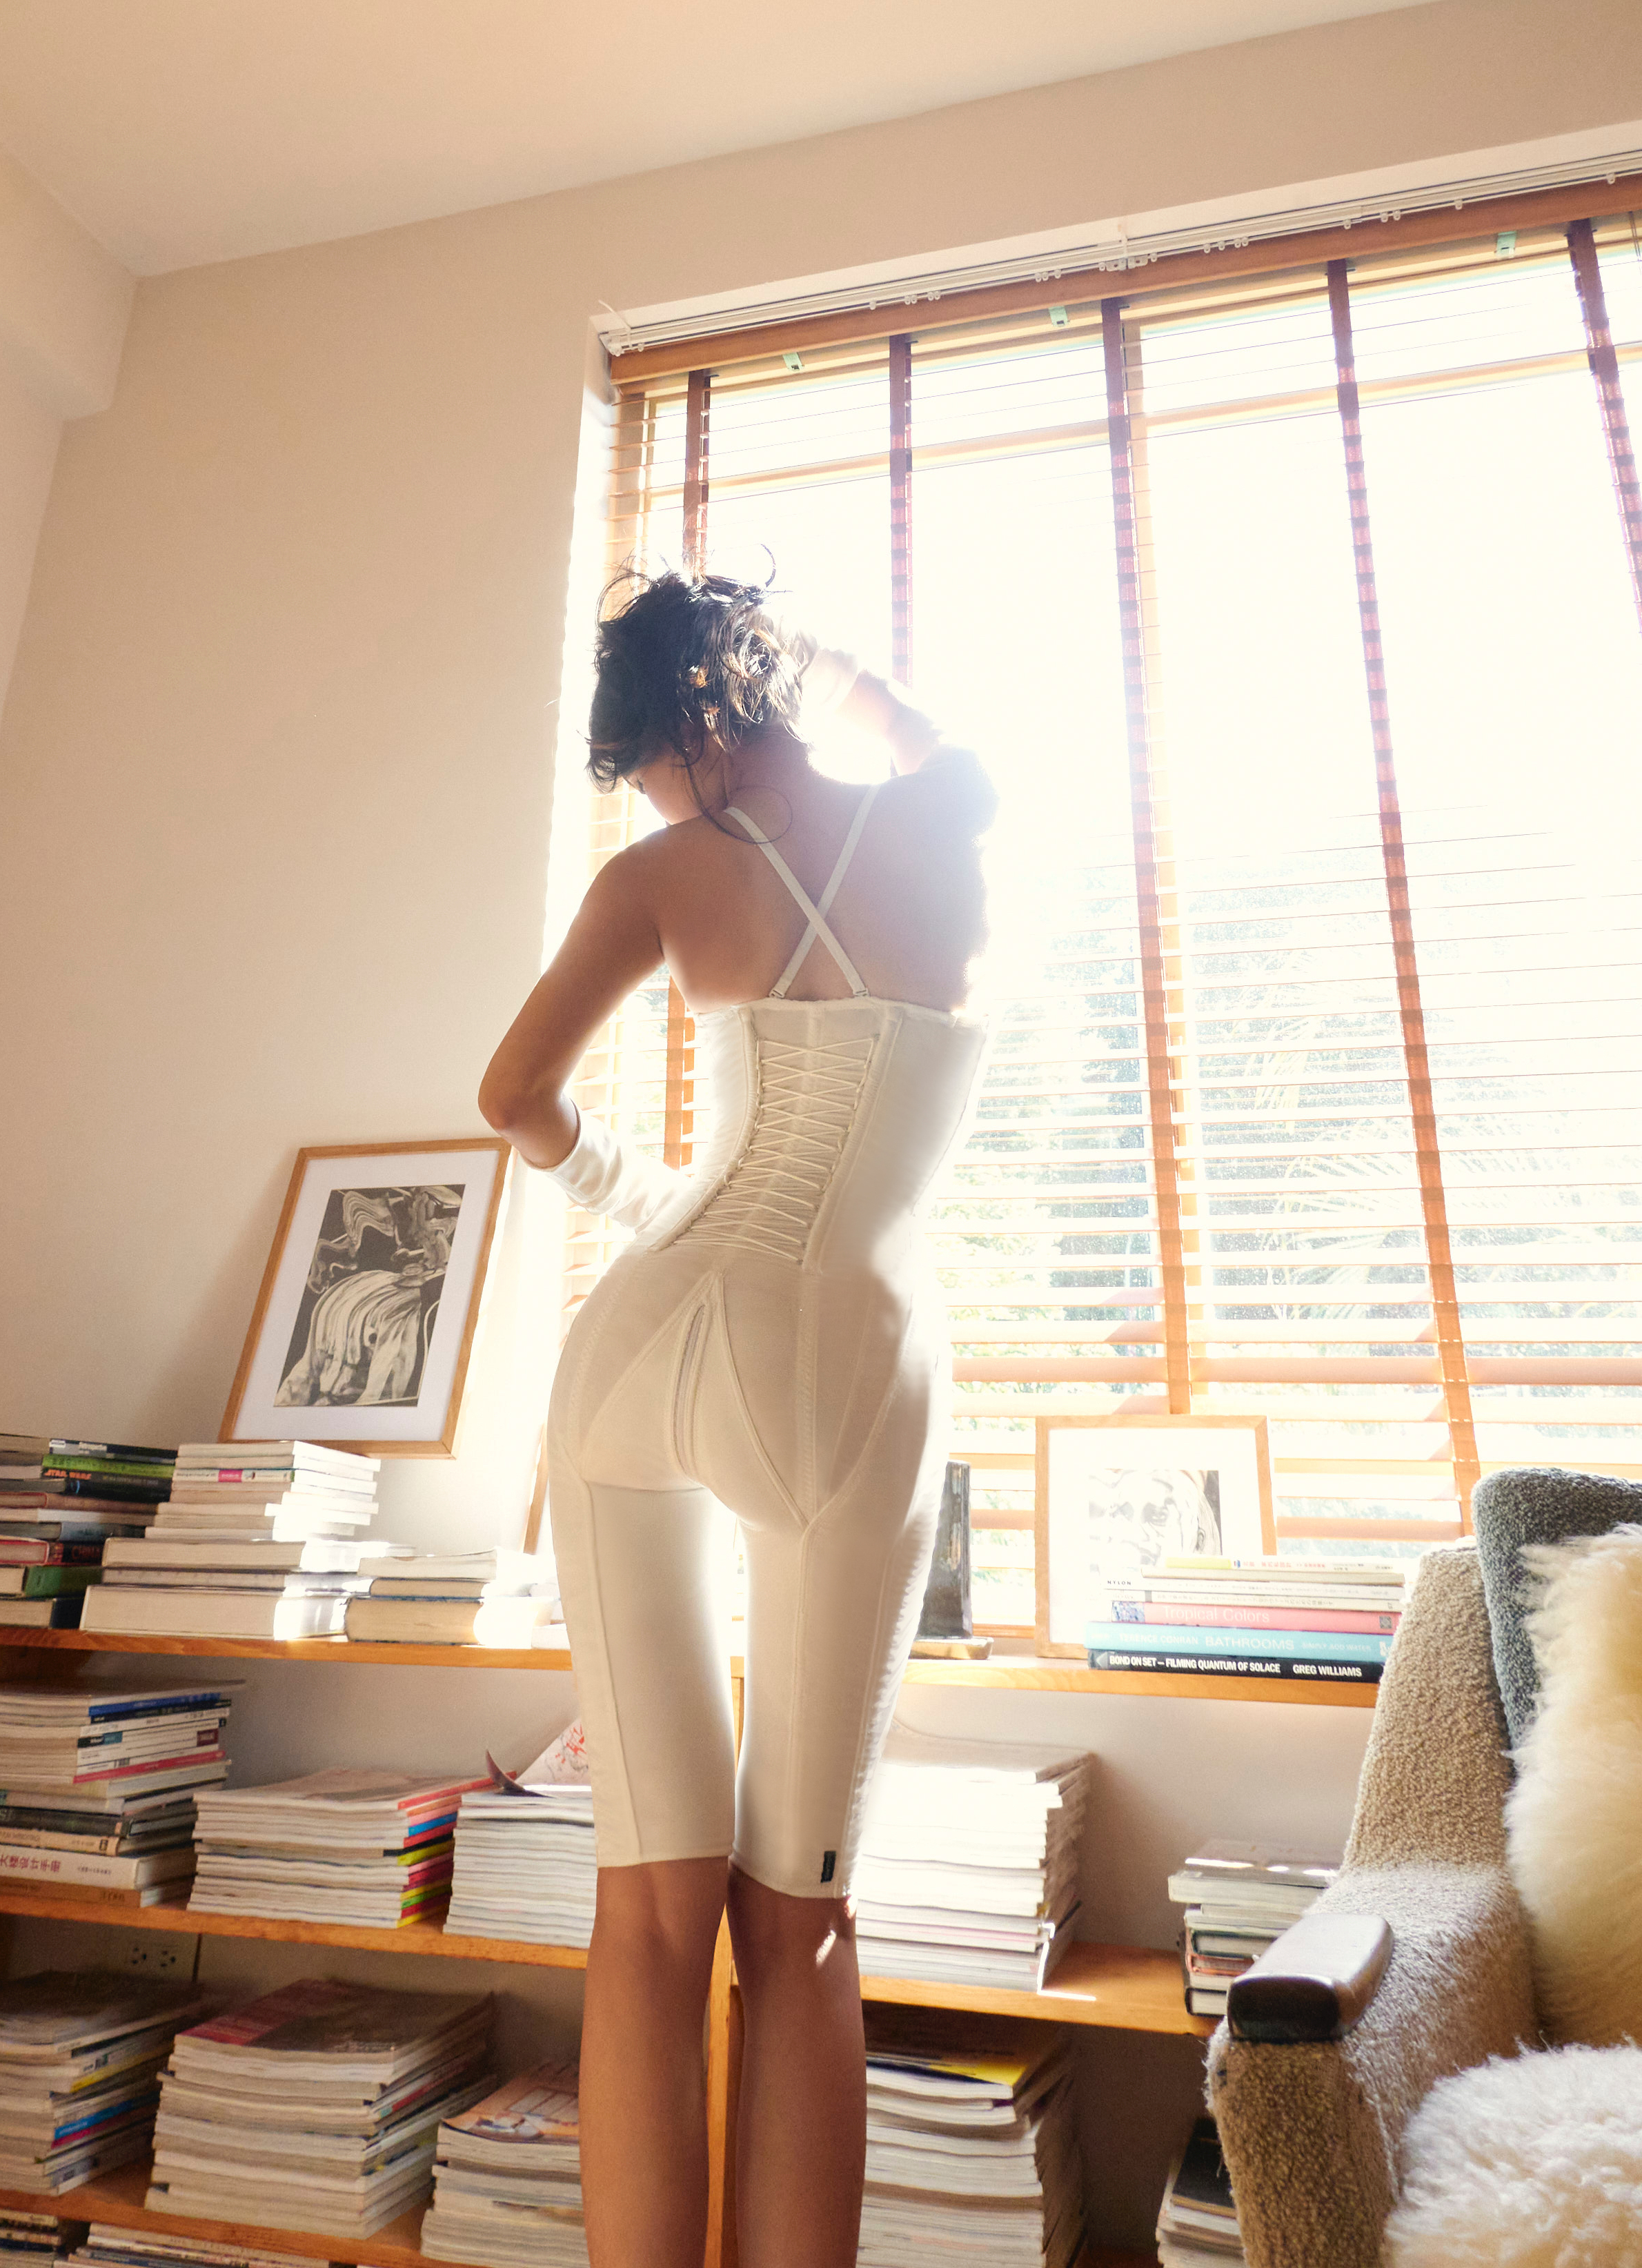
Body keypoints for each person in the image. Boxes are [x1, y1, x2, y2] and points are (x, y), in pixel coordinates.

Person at [479, 567, 995, 2268]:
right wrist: (823, 670)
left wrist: (641, 1202)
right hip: (849, 1349)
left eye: (653, 775)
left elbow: (513, 1097)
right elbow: (918, 736)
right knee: (801, 1923)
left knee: (648, 1911)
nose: (657, 812)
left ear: (692, 728)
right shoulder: (946, 812)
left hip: (643, 1344)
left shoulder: (661, 878)